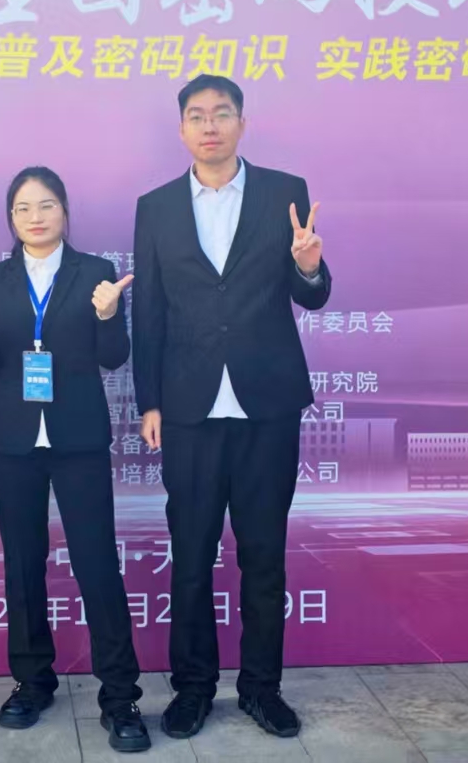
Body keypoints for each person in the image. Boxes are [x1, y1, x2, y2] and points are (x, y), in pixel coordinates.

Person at [131, 75, 330, 740]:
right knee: (190, 558)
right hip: (188, 406)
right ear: (182, 129)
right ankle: (192, 689)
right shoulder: (156, 207)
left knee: (263, 555)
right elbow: (149, 311)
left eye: (222, 113)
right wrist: (150, 401)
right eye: (197, 115)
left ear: (243, 123)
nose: (210, 125)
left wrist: (308, 265)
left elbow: (312, 294)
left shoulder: (284, 193)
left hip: (267, 404)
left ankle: (261, 689)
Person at [0, 167, 151, 753]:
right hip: (12, 442)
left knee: (97, 563)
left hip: (78, 439)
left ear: (64, 211)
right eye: (22, 208)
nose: (35, 217)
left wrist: (109, 316)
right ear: (10, 218)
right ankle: (32, 682)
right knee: (22, 563)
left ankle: (120, 697)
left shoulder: (96, 273)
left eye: (45, 205)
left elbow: (114, 358)